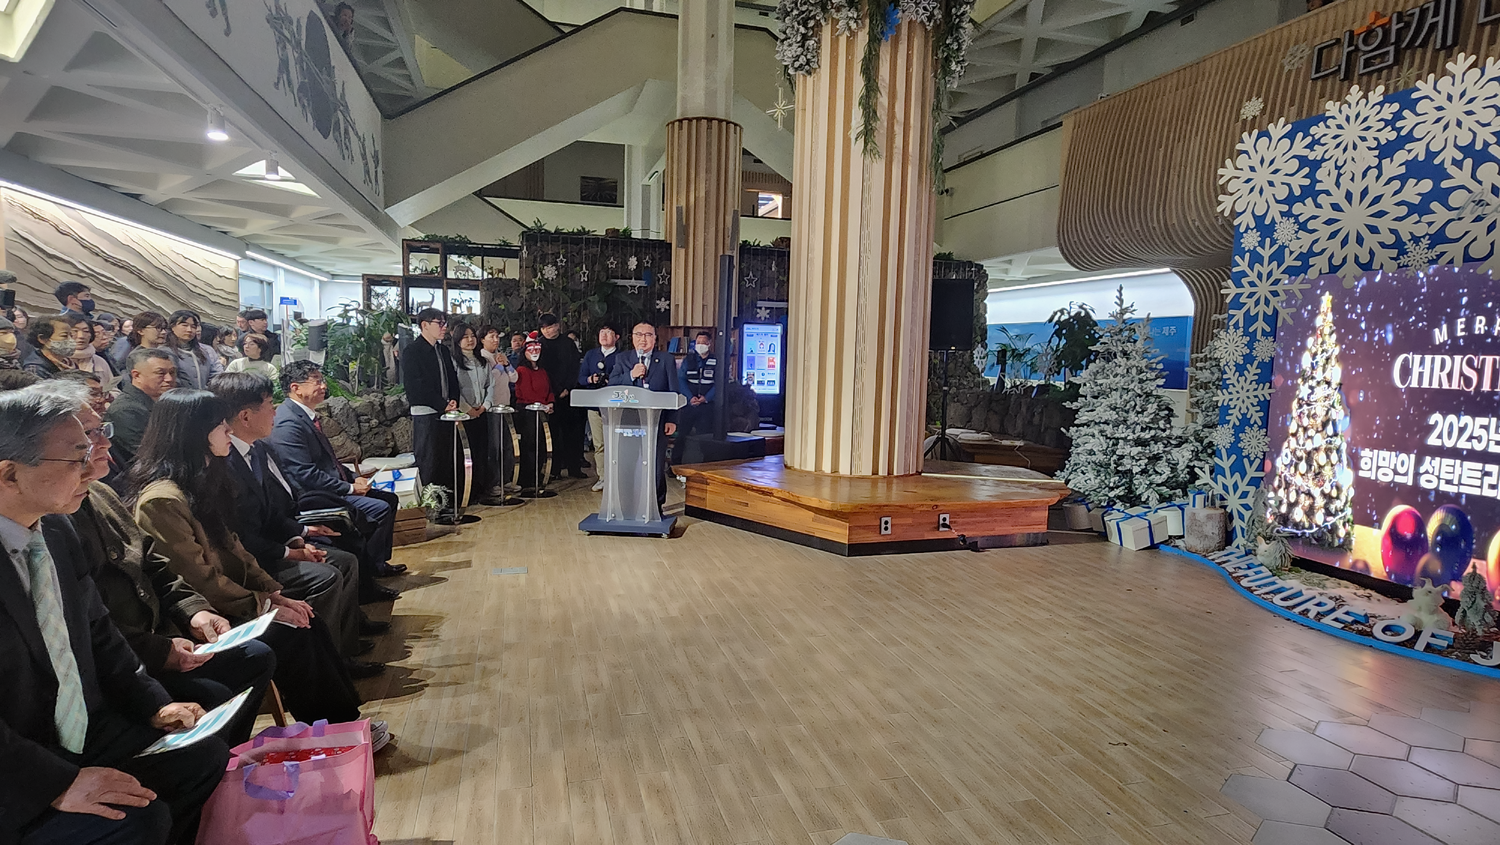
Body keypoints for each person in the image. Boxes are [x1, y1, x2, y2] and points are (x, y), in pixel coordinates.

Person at [0, 384, 228, 845]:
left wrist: (154, 702)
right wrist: (55, 783)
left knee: (200, 755)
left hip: (77, 726)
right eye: (76, 457)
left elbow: (98, 629)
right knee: (136, 820)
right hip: (17, 756)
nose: (93, 467)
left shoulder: (57, 529)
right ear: (9, 473)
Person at [124, 389, 388, 745]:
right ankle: (335, 732)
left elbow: (236, 549)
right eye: (220, 425)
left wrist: (274, 594)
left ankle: (341, 725)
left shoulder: (202, 480)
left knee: (306, 618)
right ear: (194, 433)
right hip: (201, 617)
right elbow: (199, 579)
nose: (229, 431)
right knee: (291, 634)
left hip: (227, 601)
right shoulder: (161, 500)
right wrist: (263, 606)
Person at [52, 382, 276, 748]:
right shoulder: (55, 522)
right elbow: (93, 624)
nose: (105, 443)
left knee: (256, 655)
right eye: (88, 436)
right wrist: (161, 650)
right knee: (216, 694)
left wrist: (194, 611)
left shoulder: (101, 493)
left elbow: (154, 563)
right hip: (127, 657)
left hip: (161, 632)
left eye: (102, 429)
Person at [212, 372, 382, 674]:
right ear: (246, 416)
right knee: (327, 575)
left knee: (344, 559)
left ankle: (344, 649)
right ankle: (328, 665)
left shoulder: (255, 449)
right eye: (269, 405)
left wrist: (300, 535)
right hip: (249, 562)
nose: (275, 411)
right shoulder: (224, 462)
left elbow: (270, 513)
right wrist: (290, 552)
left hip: (273, 542)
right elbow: (239, 536)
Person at [270, 361, 406, 595]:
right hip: (314, 496)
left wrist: (354, 478)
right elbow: (304, 474)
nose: (324, 386)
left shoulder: (305, 415)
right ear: (295, 388)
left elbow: (329, 461)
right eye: (317, 381)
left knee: (389, 499)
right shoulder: (288, 423)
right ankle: (366, 581)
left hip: (331, 486)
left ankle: (376, 564)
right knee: (379, 509)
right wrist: (350, 488)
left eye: (322, 380)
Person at [609, 323, 679, 509]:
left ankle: (655, 505)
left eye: (648, 335)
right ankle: (627, 505)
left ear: (655, 338)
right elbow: (612, 385)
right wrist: (631, 375)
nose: (643, 339)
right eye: (639, 334)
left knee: (655, 464)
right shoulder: (623, 358)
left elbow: (673, 391)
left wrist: (672, 419)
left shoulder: (665, 359)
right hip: (629, 420)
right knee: (628, 463)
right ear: (632, 337)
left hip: (658, 420)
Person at [400, 308, 459, 518]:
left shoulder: (443, 350)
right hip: (426, 412)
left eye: (444, 323)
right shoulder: (412, 351)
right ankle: (430, 506)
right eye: (439, 323)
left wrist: (453, 400)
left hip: (446, 411)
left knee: (445, 459)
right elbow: (416, 386)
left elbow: (452, 379)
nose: (444, 328)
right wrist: (441, 404)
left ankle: (446, 503)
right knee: (429, 459)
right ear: (424, 325)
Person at [449, 320, 506, 506]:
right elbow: (454, 388)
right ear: (457, 340)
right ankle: (467, 493)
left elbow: (490, 385)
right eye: (465, 337)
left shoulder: (482, 361)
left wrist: (485, 406)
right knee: (466, 454)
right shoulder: (453, 361)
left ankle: (482, 489)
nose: (470, 339)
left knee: (482, 453)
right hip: (464, 415)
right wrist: (467, 408)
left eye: (472, 336)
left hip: (482, 412)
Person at [104, 349, 176, 472]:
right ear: (136, 375)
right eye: (160, 373)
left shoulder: (165, 402)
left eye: (172, 372)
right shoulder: (125, 410)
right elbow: (150, 455)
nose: (169, 378)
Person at [537, 313, 586, 480]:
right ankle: (554, 469)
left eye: (550, 327)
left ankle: (574, 468)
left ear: (558, 326)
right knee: (553, 434)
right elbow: (541, 371)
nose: (547, 331)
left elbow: (575, 368)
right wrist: (556, 390)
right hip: (549, 395)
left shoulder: (568, 343)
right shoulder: (539, 345)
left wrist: (567, 388)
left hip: (568, 394)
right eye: (544, 328)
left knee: (572, 432)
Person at [578, 323, 621, 492]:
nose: (604, 335)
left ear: (616, 337)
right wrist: (590, 379)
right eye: (602, 332)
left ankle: (617, 476)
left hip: (615, 405)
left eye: (608, 332)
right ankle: (603, 477)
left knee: (615, 443)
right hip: (594, 405)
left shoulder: (621, 356)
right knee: (599, 444)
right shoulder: (591, 355)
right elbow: (581, 378)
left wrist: (613, 381)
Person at [479, 326, 518, 496]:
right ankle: (493, 482)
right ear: (482, 340)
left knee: (508, 445)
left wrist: (507, 364)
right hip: (492, 408)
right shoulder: (482, 357)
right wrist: (499, 366)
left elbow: (514, 378)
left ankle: (506, 479)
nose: (496, 340)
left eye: (497, 336)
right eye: (492, 337)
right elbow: (489, 379)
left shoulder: (500, 356)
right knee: (495, 447)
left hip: (506, 406)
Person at [513, 333, 554, 492]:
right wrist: (542, 405)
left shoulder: (542, 370)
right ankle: (528, 478)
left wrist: (550, 402)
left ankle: (537, 474)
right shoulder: (522, 370)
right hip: (528, 412)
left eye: (537, 349)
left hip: (542, 412)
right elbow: (526, 393)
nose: (535, 352)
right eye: (531, 349)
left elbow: (549, 389)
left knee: (542, 444)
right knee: (530, 445)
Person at [672, 330, 718, 464]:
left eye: (704, 342)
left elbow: (720, 382)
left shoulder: (717, 360)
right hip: (689, 405)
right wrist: (689, 397)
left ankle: (705, 466)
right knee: (682, 436)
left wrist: (707, 398)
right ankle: (674, 465)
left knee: (705, 438)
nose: (701, 345)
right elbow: (681, 380)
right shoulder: (688, 359)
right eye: (698, 342)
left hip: (707, 406)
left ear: (709, 343)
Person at [163, 310, 222, 391]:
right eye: (184, 325)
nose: (189, 330)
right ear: (172, 326)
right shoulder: (164, 351)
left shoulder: (203, 351)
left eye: (193, 327)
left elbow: (214, 375)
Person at [23, 314, 83, 378]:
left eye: (71, 335)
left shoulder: (69, 362)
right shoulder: (35, 369)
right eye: (64, 336)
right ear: (43, 339)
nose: (71, 340)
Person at [69, 321, 112, 385]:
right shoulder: (58, 360)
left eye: (86, 331)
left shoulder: (100, 361)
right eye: (75, 331)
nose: (81, 336)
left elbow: (112, 387)